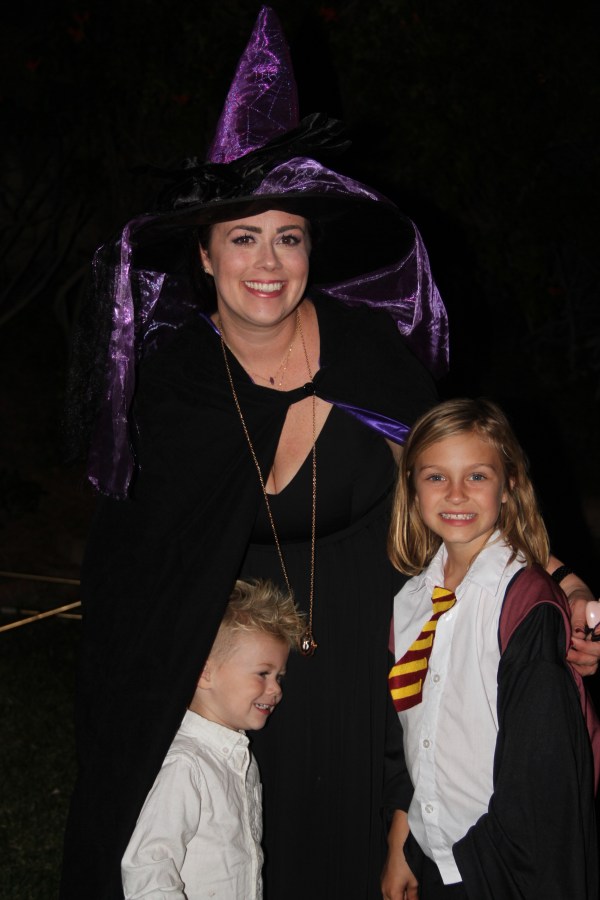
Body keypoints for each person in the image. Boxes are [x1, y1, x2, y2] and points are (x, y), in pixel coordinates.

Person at [61, 9, 599, 899]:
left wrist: (556, 580)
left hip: (365, 652)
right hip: (227, 660)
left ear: (312, 249)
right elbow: (137, 566)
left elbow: (461, 489)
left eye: (289, 236)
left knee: (357, 856)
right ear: (205, 256)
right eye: (243, 237)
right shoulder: (174, 384)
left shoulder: (370, 356)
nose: (268, 262)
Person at [382, 398, 598, 900]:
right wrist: (403, 843)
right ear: (412, 486)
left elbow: (540, 780)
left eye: (477, 476)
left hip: (502, 870)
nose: (456, 493)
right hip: (433, 856)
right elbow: (409, 734)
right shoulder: (410, 602)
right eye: (436, 477)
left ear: (509, 485)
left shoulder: (527, 605)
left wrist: (477, 869)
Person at [121, 579, 304, 900]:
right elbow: (148, 867)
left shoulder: (241, 759)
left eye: (279, 677)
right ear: (205, 673)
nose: (276, 689)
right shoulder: (185, 764)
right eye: (263, 673)